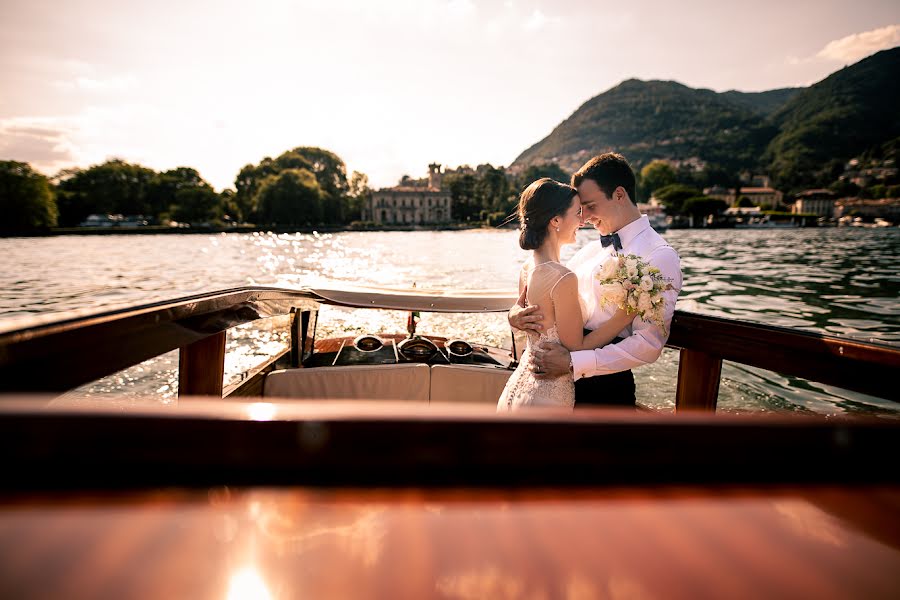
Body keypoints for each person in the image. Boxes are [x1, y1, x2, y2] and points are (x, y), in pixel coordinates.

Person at [508, 153, 682, 407]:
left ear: (620, 195)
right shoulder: (589, 251)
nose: (584, 217)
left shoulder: (659, 256)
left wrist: (572, 363)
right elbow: (547, 292)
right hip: (554, 382)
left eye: (590, 206)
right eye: (579, 209)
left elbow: (648, 344)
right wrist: (515, 314)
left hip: (604, 388)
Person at [497, 178, 633, 411]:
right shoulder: (562, 277)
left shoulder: (527, 268)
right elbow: (576, 346)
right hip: (547, 396)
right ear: (556, 221)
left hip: (518, 388)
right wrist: (625, 315)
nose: (582, 221)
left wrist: (512, 315)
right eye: (576, 213)